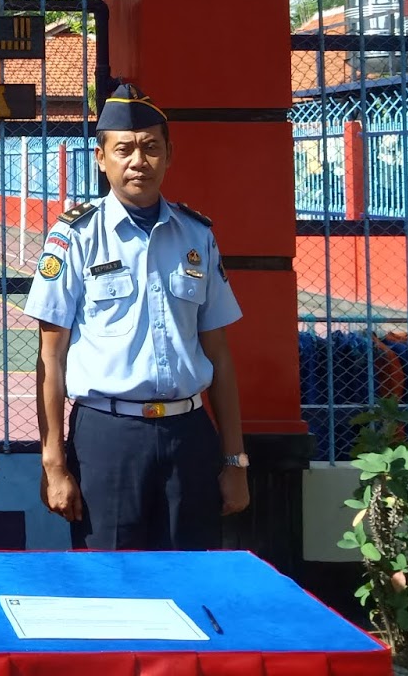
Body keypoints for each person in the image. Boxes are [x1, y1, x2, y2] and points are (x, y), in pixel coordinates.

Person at [27, 83, 250, 551]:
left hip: (188, 436)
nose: (138, 161)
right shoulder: (76, 236)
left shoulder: (197, 235)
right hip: (108, 438)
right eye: (124, 149)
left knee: (190, 580)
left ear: (169, 154)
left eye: (151, 148)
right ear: (101, 158)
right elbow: (51, 358)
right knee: (110, 585)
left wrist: (234, 460)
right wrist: (54, 465)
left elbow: (221, 357)